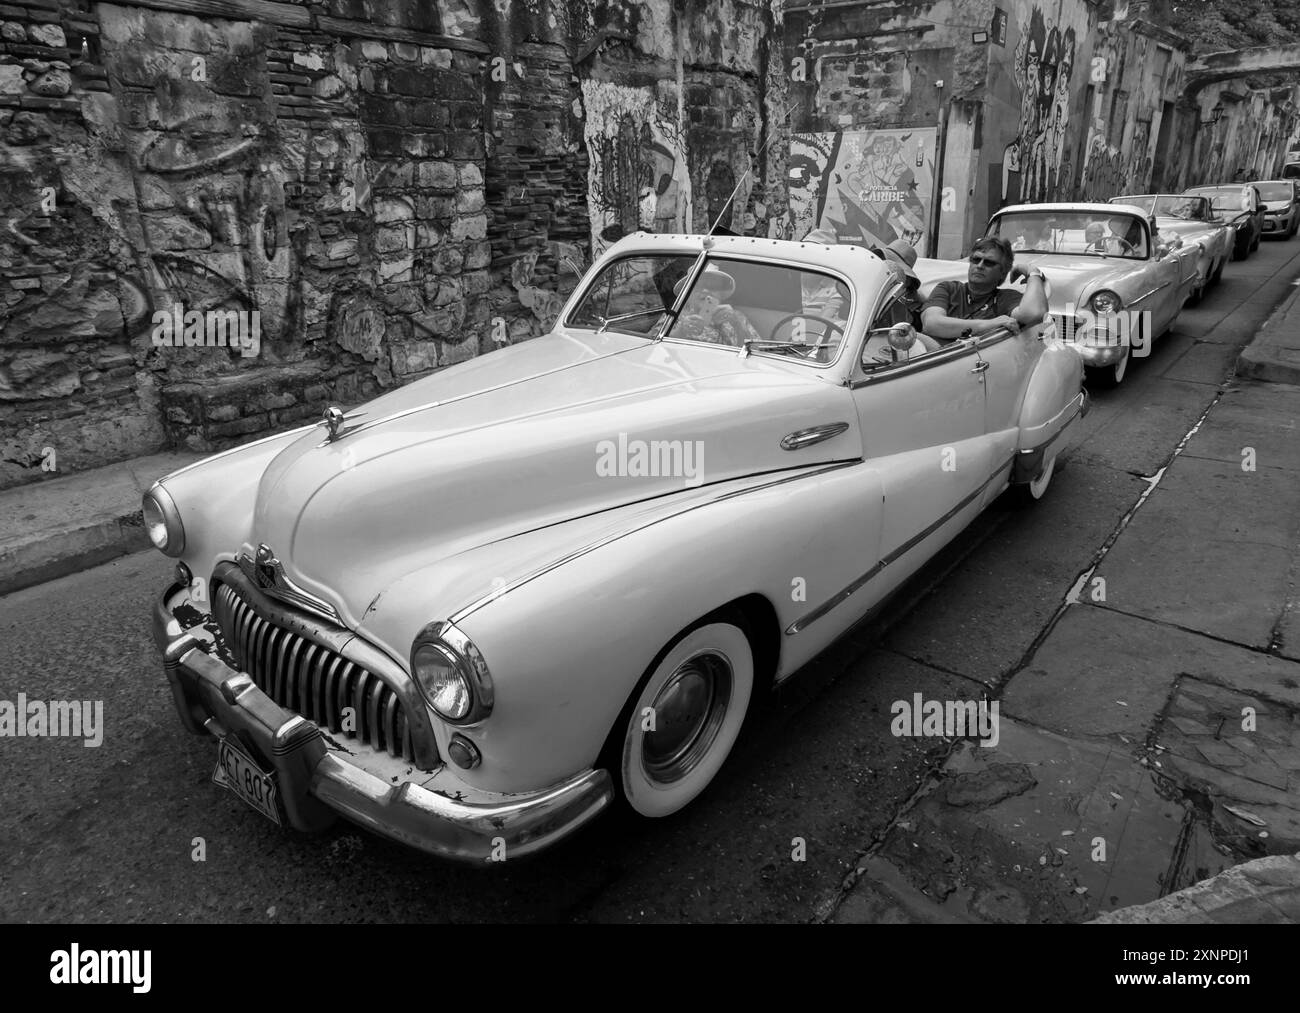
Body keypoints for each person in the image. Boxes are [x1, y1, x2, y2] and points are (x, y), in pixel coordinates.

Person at [920, 236, 1048, 342]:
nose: (980, 266)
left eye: (989, 262)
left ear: (1002, 272)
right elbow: (931, 323)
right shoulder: (949, 289)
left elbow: (1034, 314)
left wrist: (1033, 273)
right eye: (976, 260)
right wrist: (992, 323)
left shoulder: (1005, 298)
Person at [671, 265, 762, 347]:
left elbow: (757, 350)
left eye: (713, 286)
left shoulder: (737, 316)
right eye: (698, 286)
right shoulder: (674, 315)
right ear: (688, 294)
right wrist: (681, 331)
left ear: (721, 294)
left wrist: (736, 324)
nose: (705, 290)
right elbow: (657, 346)